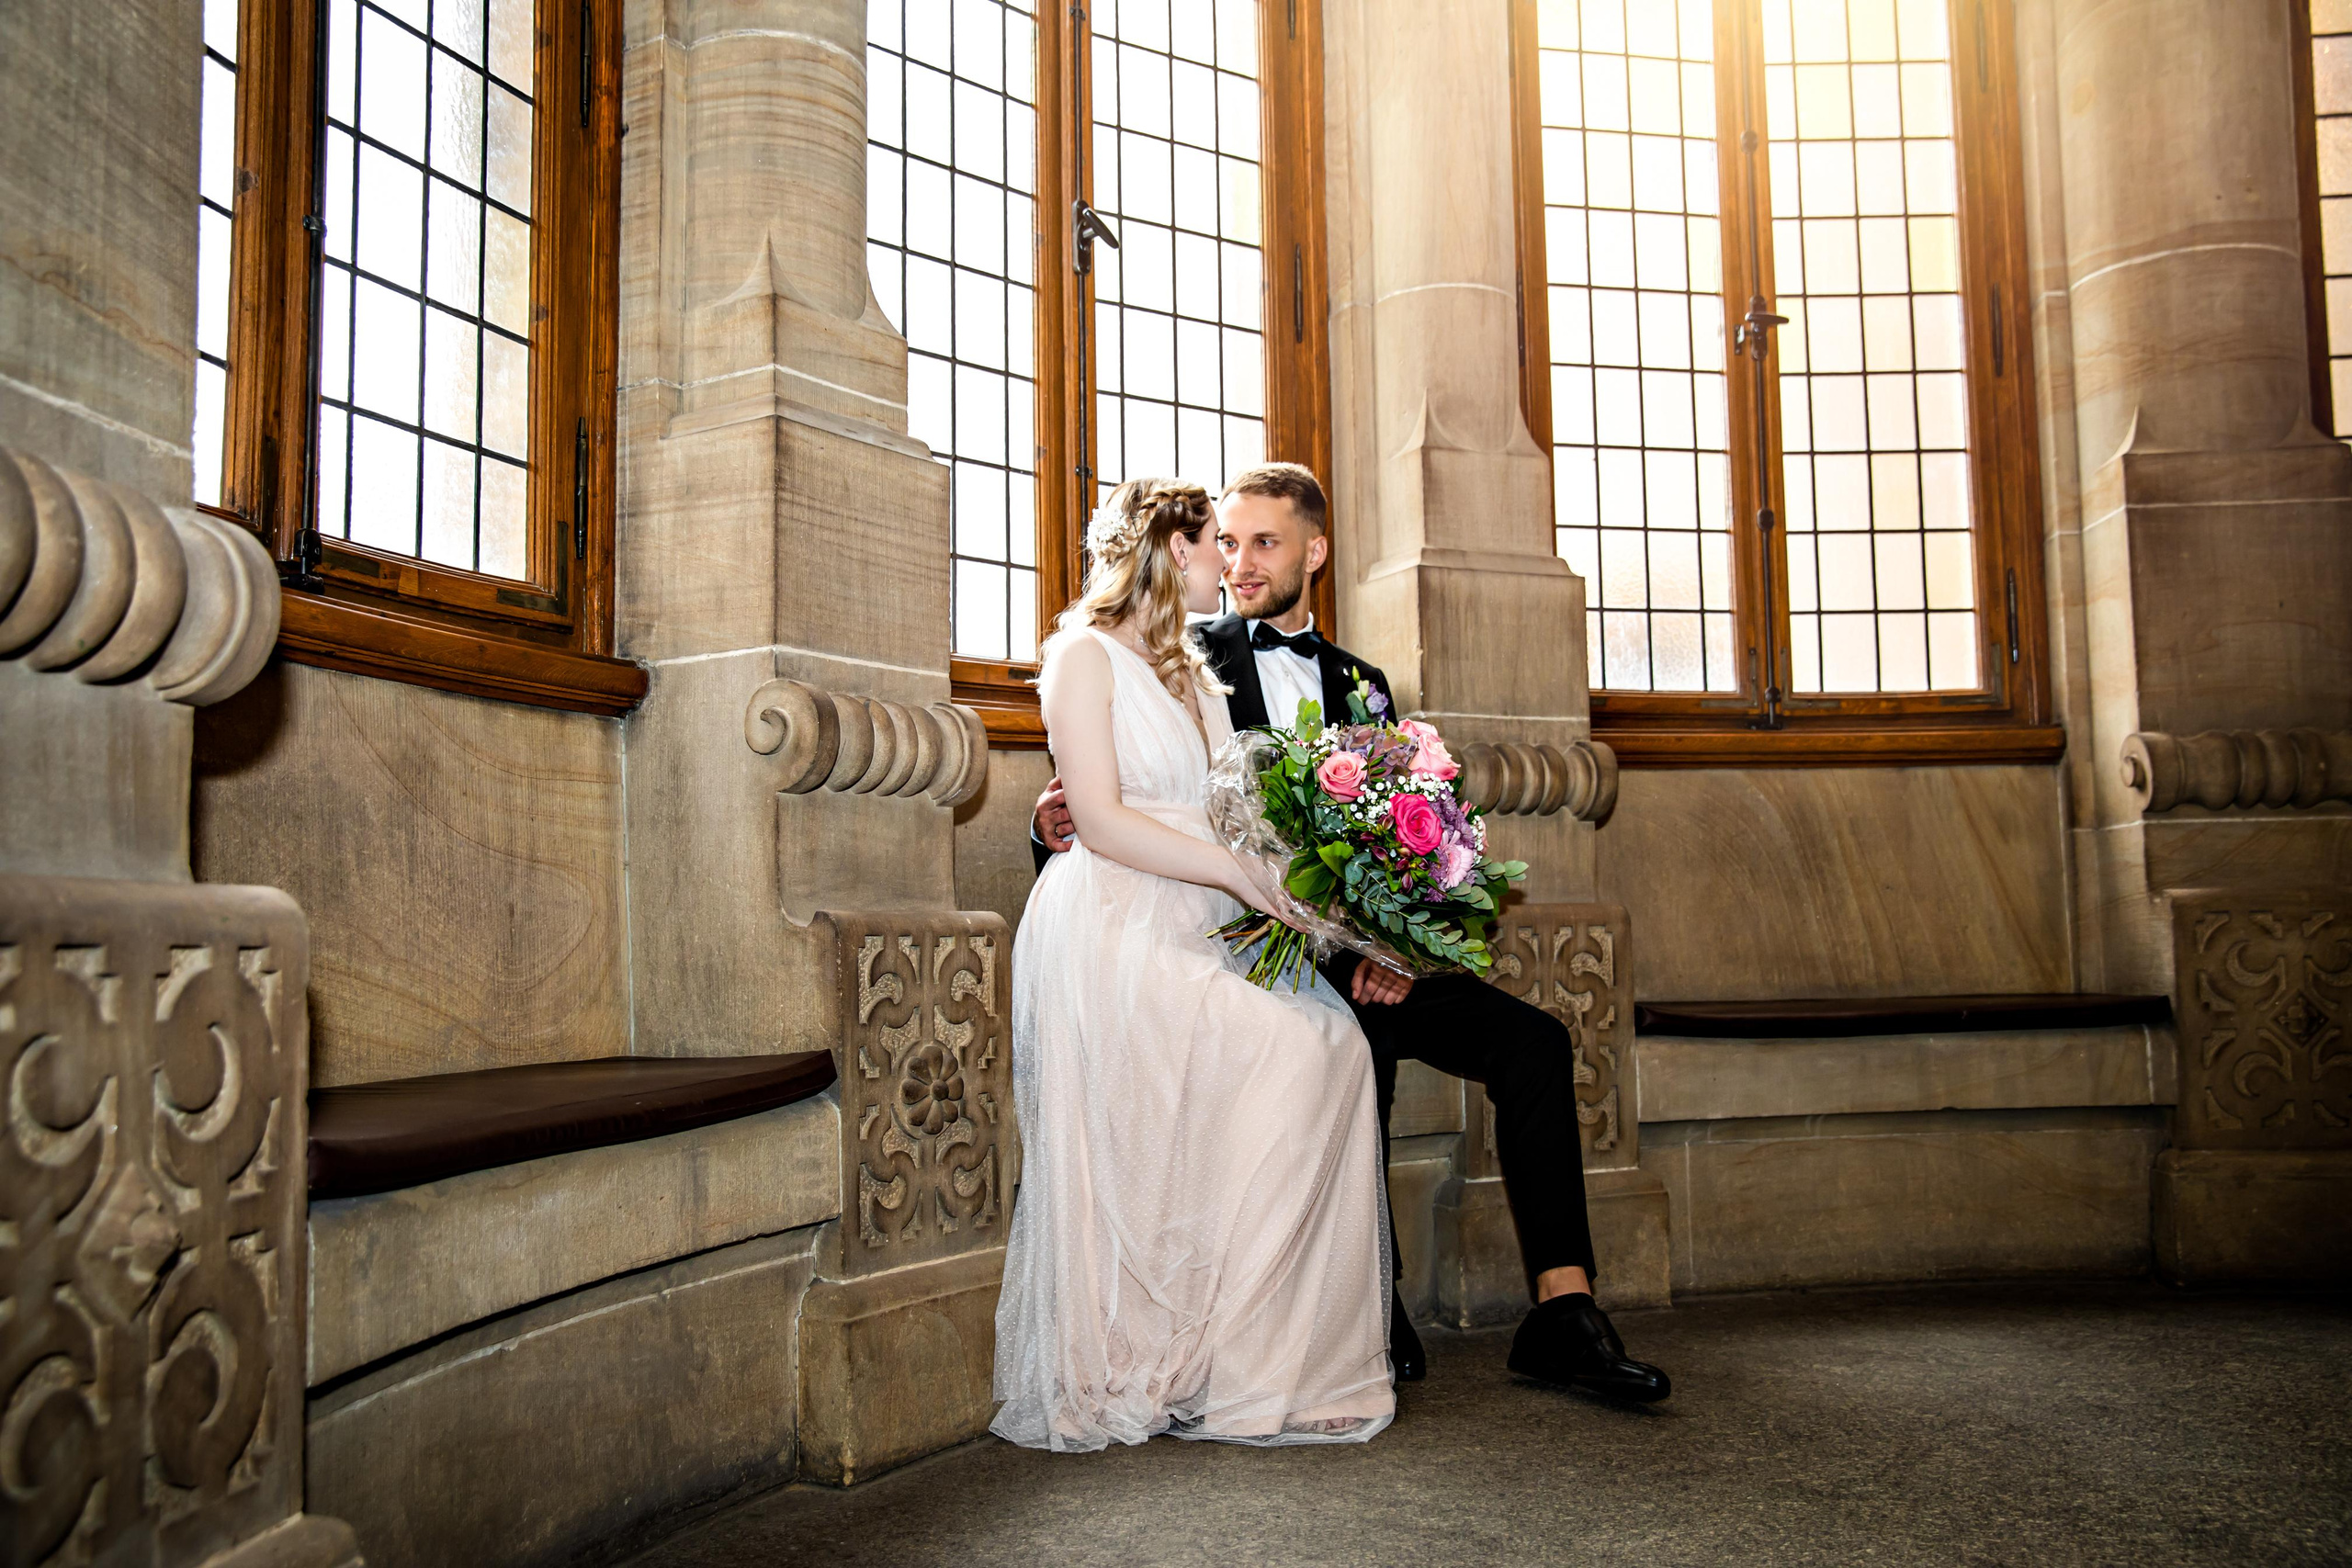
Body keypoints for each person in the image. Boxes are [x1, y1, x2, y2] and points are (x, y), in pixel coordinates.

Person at [1032, 462, 1670, 1404]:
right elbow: (1118, 800)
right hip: (1259, 939)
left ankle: (1563, 1311)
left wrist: (1397, 953)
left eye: (1264, 543)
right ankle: (1369, 1300)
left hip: (1370, 949)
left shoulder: (1364, 688)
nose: (1240, 563)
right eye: (1228, 542)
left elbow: (1414, 838)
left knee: (1536, 1043)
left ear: (1313, 552)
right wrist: (1054, 822)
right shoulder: (1182, 656)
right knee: (1342, 1037)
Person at [991, 477, 1396, 1451]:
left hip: (1202, 914)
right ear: (1175, 550)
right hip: (1114, 922)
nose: (1231, 559)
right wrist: (1234, 874)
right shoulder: (1078, 657)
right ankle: (1147, 1355)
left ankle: (1263, 1361)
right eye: (1217, 540)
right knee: (1289, 1052)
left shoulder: (1190, 671)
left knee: (1333, 1044)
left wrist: (1305, 894)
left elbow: (1235, 814)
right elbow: (1096, 818)